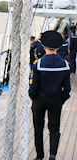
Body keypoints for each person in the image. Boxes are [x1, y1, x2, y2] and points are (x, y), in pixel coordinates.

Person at [29, 31, 71, 160]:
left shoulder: (38, 64)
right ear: (58, 48)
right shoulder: (65, 65)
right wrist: (61, 99)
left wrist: (34, 98)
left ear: (44, 47)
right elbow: (67, 88)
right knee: (54, 128)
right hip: (56, 100)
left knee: (38, 128)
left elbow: (33, 86)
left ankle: (39, 156)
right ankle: (52, 155)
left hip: (39, 100)